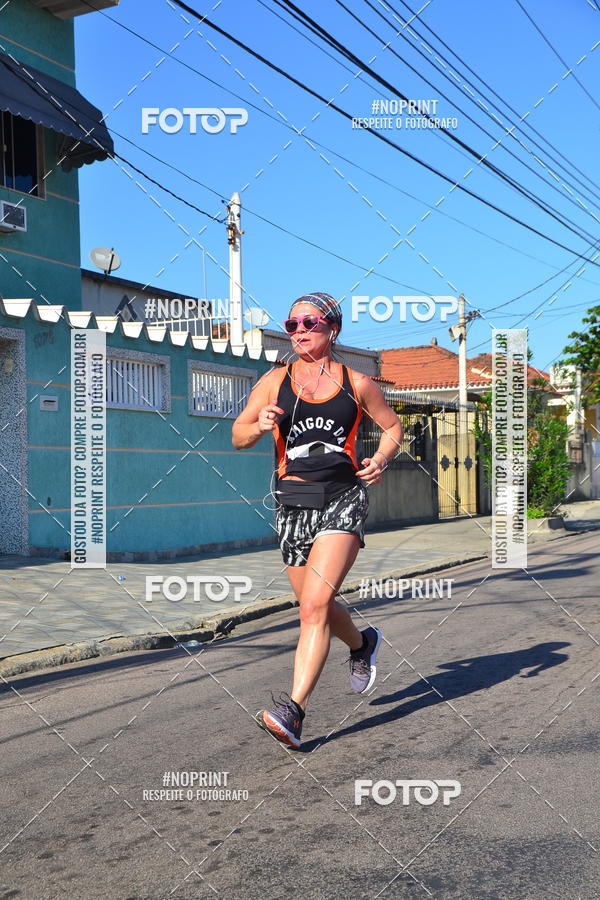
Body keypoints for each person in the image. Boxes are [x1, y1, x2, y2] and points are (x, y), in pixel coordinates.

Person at [232, 292, 402, 748]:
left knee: (312, 608)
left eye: (310, 322)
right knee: (317, 604)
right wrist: (259, 425)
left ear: (333, 328)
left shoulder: (358, 382)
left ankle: (293, 711)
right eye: (292, 325)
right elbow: (238, 436)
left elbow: (392, 427)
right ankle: (362, 644)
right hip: (292, 503)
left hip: (343, 499)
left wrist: (382, 458)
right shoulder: (273, 381)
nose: (300, 331)